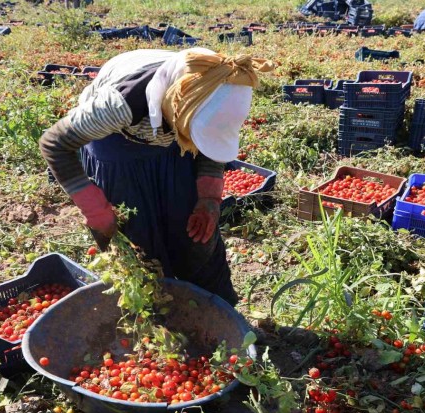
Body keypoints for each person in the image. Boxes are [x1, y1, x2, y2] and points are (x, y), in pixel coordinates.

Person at [40, 49, 275, 306]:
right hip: (117, 150)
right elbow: (54, 144)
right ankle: (152, 309)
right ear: (176, 109)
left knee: (196, 233)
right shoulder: (118, 105)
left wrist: (209, 196)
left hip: (176, 141)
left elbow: (214, 139)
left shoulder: (220, 84)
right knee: (137, 244)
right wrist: (95, 209)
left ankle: (215, 308)